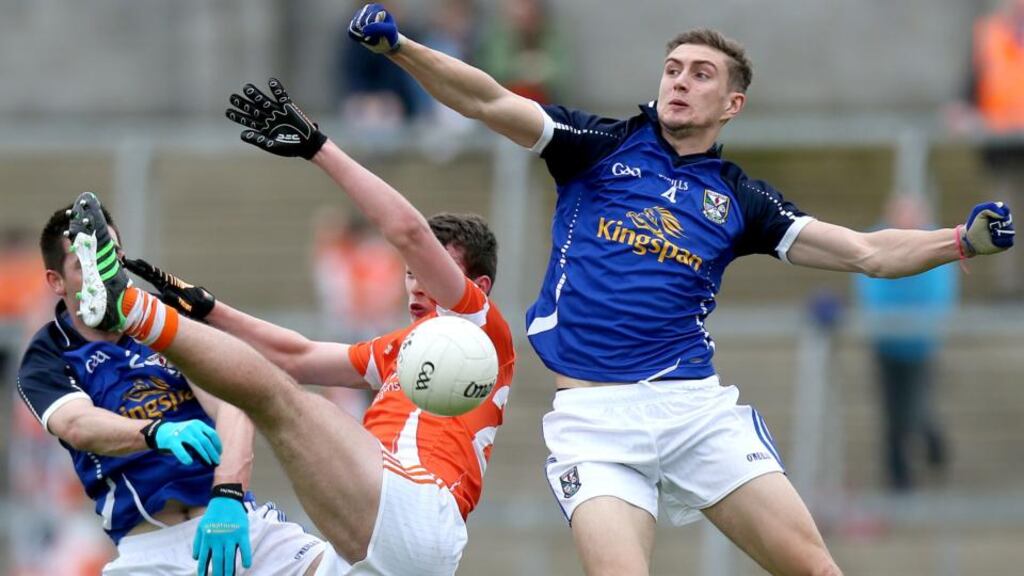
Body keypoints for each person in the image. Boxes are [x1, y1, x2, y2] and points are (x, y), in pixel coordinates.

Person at [347, 6, 1017, 575]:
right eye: (672, 69)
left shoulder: (741, 199)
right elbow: (488, 100)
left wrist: (959, 241)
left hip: (692, 410)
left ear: (732, 103)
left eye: (701, 74)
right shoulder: (598, 145)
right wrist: (401, 49)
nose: (680, 82)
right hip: (593, 423)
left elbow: (866, 252)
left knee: (815, 568)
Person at [71, 76, 515, 575]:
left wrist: (318, 148)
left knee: (277, 398)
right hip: (374, 544)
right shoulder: (404, 350)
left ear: (479, 285)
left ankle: (128, 309)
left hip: (416, 514)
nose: (416, 286)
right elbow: (296, 357)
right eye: (411, 274)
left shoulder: (477, 326)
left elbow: (408, 231)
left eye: (431, 273)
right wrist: (209, 310)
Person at [16, 204, 328, 576]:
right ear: (56, 282)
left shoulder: (161, 316)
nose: (102, 273)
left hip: (234, 521)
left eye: (110, 257)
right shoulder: (47, 355)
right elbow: (77, 425)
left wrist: (228, 494)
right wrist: (157, 432)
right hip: (151, 551)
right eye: (84, 266)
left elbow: (232, 398)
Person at [854, 195, 958, 492]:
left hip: (918, 345)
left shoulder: (936, 245)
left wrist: (921, 327)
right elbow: (870, 288)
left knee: (914, 406)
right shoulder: (874, 243)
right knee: (894, 411)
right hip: (887, 344)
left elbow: (940, 293)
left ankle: (928, 448)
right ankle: (899, 475)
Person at [947, 0, 1024, 296]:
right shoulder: (989, 33)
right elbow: (974, 81)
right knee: (1003, 218)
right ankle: (1008, 291)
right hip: (1000, 148)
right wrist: (962, 109)